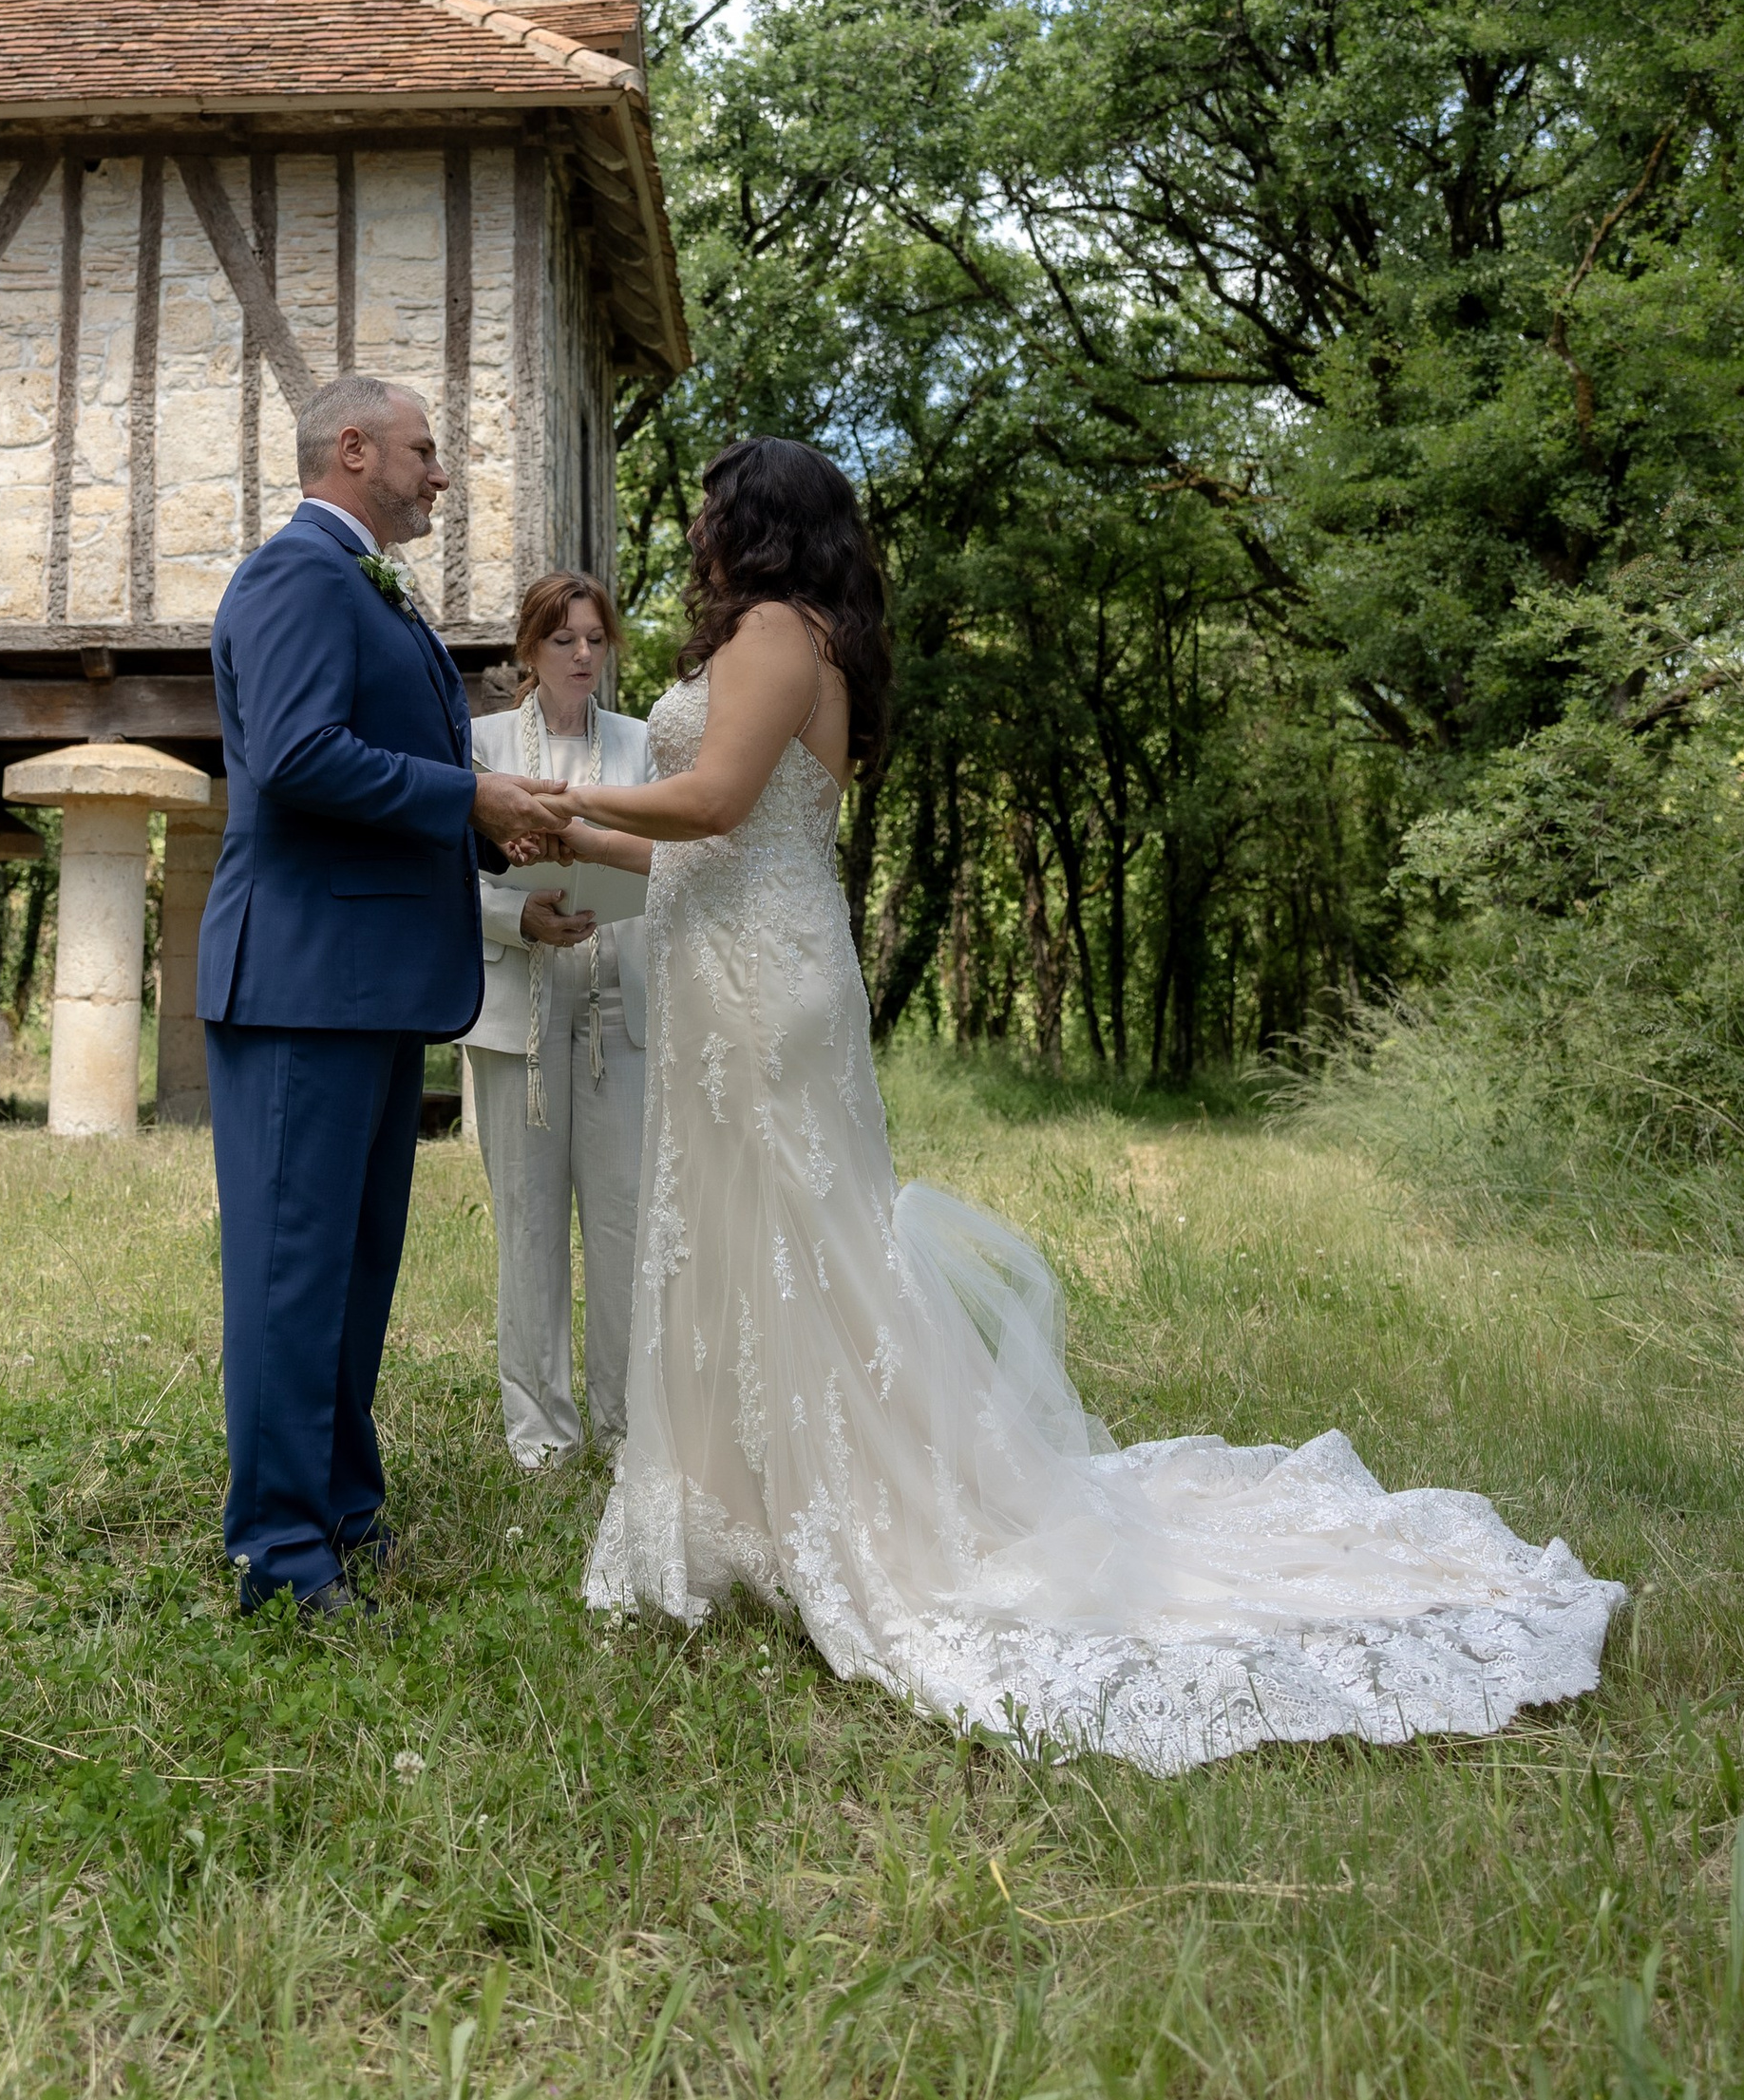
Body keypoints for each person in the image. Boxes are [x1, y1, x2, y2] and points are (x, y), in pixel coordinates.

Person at [531, 436, 1627, 1773]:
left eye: (713, 509)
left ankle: (847, 1512)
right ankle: (748, 1512)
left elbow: (714, 798)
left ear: (757, 524)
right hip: (739, 962)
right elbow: (690, 834)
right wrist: (575, 834)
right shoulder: (797, 633)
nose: (698, 530)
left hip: (763, 984)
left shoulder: (774, 632)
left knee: (801, 1246)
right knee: (747, 1242)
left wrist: (559, 791)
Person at [198, 372, 562, 1621]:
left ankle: (344, 1508)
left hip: (365, 985)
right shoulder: (298, 574)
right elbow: (297, 758)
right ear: (352, 450)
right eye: (423, 450)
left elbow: (383, 765)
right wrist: (471, 799)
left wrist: (491, 840)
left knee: (353, 1274)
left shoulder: (368, 584)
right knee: (292, 1276)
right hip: (300, 981)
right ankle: (280, 1556)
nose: (440, 473)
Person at [464, 574, 655, 1467]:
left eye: (595, 639)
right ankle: (540, 1433)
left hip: (622, 1013)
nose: (583, 656)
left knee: (623, 1226)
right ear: (528, 652)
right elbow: (447, 874)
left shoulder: (644, 744)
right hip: (520, 1019)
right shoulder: (481, 745)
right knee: (531, 1231)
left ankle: (624, 1429)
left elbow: (676, 860)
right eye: (563, 641)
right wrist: (516, 916)